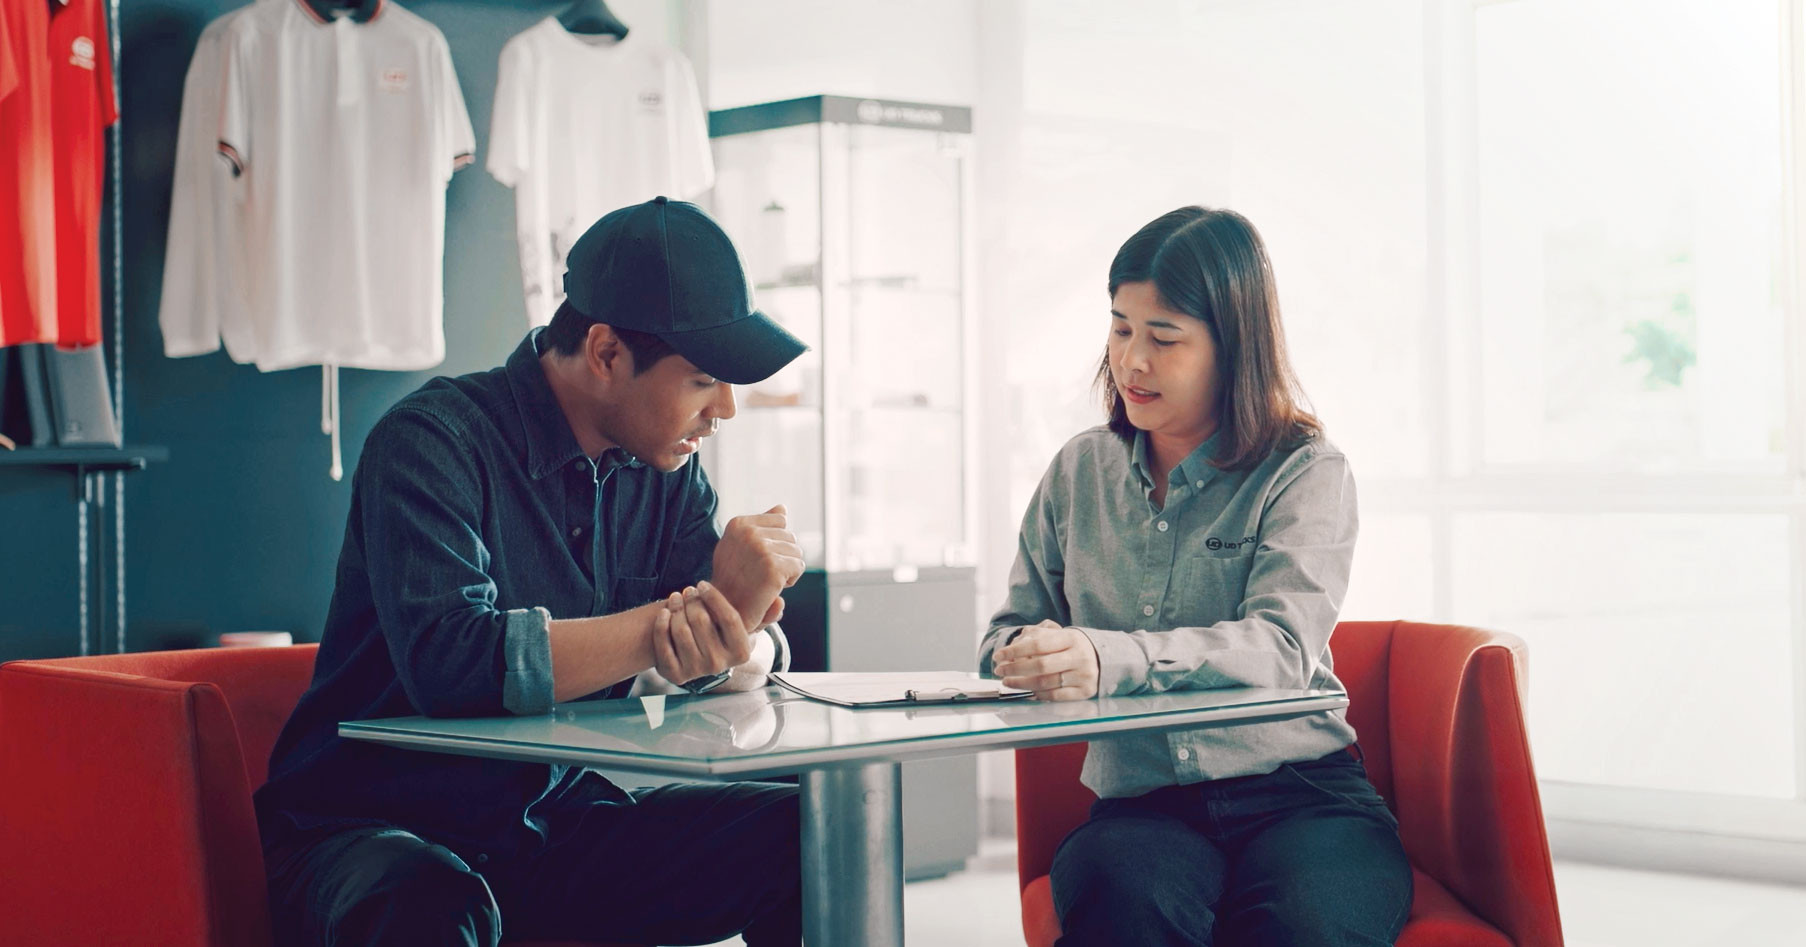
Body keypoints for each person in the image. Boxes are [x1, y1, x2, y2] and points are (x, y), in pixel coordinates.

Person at [256, 197, 810, 946]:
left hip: (550, 822)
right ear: (608, 352)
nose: (728, 410)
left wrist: (741, 626)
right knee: (429, 900)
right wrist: (677, 626)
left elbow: (713, 651)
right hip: (369, 830)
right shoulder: (430, 442)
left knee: (807, 829)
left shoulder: (668, 474)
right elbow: (454, 663)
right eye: (704, 378)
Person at [981, 207, 1412, 946]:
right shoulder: (1079, 472)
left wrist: (1107, 657)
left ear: (1232, 346)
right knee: (1123, 904)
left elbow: (1279, 647)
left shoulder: (1305, 470)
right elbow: (1004, 637)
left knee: (1307, 924)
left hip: (1302, 794)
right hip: (1144, 806)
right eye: (1120, 329)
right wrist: (1027, 655)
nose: (1132, 362)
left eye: (1164, 337)